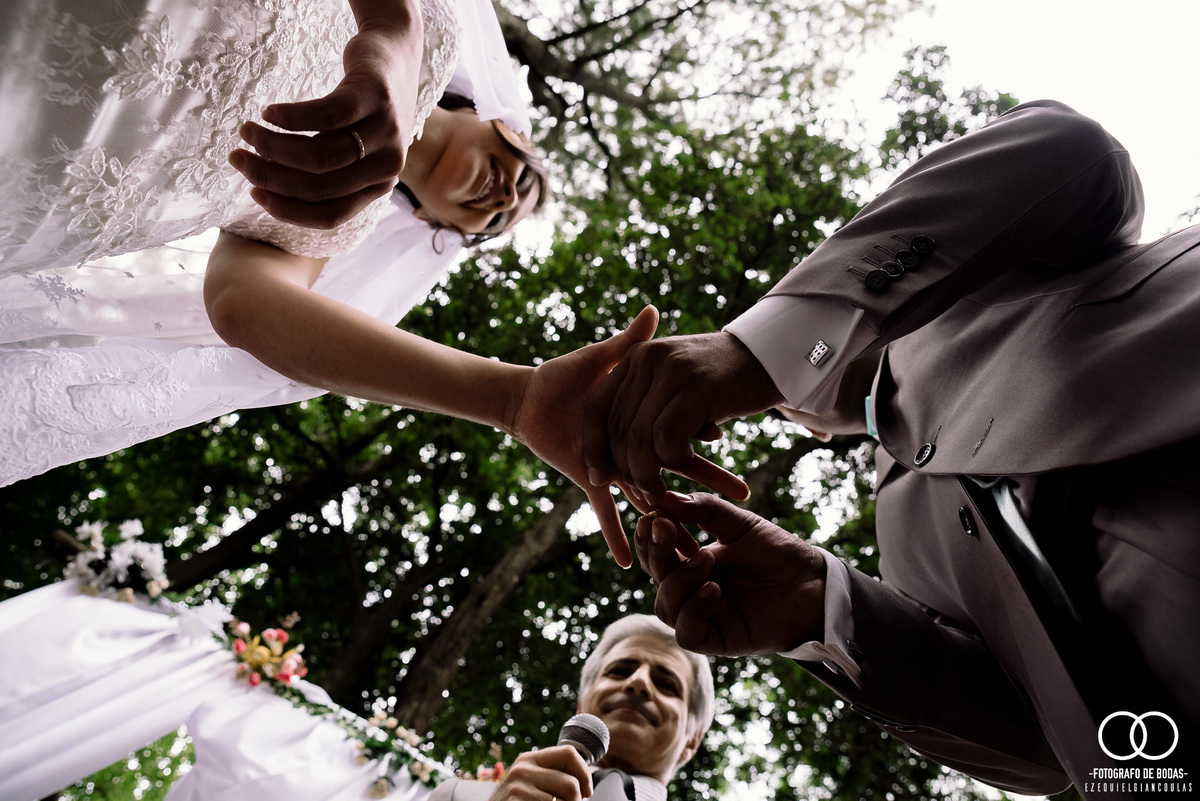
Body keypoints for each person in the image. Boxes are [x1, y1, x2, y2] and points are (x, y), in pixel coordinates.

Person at [583, 100, 1200, 795]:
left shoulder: (1000, 269)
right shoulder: (901, 558)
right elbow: (1041, 754)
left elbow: (1074, 149)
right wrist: (817, 607)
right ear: (812, 427)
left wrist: (767, 347)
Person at [0, 0, 658, 559]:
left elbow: (242, 304)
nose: (505, 197)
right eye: (522, 173)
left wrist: (510, 399)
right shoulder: (433, 23)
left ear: (429, 220)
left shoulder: (332, 217)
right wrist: (392, 34)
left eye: (495, 223)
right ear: (499, 120)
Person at [430, 614, 714, 800]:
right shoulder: (456, 796)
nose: (638, 682)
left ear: (692, 738)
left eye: (666, 684)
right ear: (581, 706)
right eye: (619, 671)